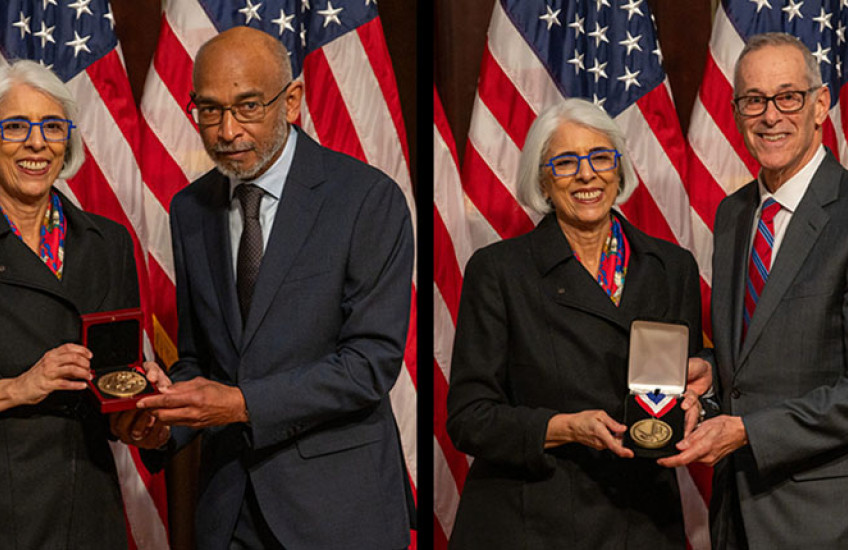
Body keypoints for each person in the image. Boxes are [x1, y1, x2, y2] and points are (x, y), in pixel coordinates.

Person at [126, 27, 414, 550]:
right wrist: (169, 419)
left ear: (293, 101)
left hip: (338, 511)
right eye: (209, 110)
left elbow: (369, 363)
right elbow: (199, 357)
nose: (227, 130)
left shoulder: (367, 199)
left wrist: (240, 404)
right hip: (229, 509)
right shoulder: (190, 209)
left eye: (248, 106)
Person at [446, 98, 709, 549]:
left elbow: (691, 374)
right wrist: (565, 427)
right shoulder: (499, 272)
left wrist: (703, 385)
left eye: (600, 157)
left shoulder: (672, 267)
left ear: (619, 170)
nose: (587, 175)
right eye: (566, 163)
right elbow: (469, 418)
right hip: (531, 523)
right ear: (544, 181)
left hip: (641, 522)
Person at [659, 33, 848, 548]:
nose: (771, 116)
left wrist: (749, 432)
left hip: (822, 519)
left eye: (788, 97)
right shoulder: (733, 215)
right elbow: (754, 363)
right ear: (737, 110)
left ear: (819, 105)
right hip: (734, 511)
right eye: (753, 100)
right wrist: (712, 384)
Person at [0, 60, 168, 548]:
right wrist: (20, 386)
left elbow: (112, 384)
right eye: (16, 127)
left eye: (53, 126)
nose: (37, 143)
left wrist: (141, 414)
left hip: (91, 512)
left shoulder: (108, 243)